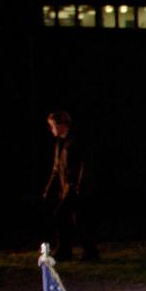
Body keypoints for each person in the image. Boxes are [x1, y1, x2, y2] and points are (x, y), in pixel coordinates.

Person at [43, 111, 99, 262]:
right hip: (66, 187)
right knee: (72, 219)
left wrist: (80, 185)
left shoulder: (76, 140)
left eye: (53, 126)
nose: (51, 129)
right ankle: (74, 251)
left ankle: (83, 252)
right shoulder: (60, 143)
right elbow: (56, 168)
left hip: (75, 187)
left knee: (69, 217)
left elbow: (84, 164)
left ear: (61, 125)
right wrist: (49, 189)